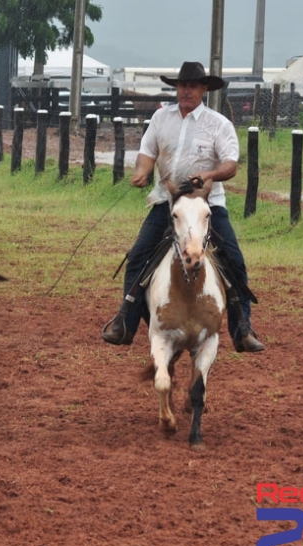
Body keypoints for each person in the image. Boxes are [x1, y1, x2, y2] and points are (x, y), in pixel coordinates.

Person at [101, 61, 265, 353]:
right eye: (182, 85)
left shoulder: (218, 124)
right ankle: (124, 320)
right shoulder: (160, 118)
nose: (186, 91)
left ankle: (243, 329)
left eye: (192, 86)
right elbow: (147, 152)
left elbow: (230, 165)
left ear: (204, 89)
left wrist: (210, 175)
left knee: (233, 259)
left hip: (205, 204)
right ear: (176, 88)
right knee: (138, 256)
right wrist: (142, 171)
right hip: (167, 201)